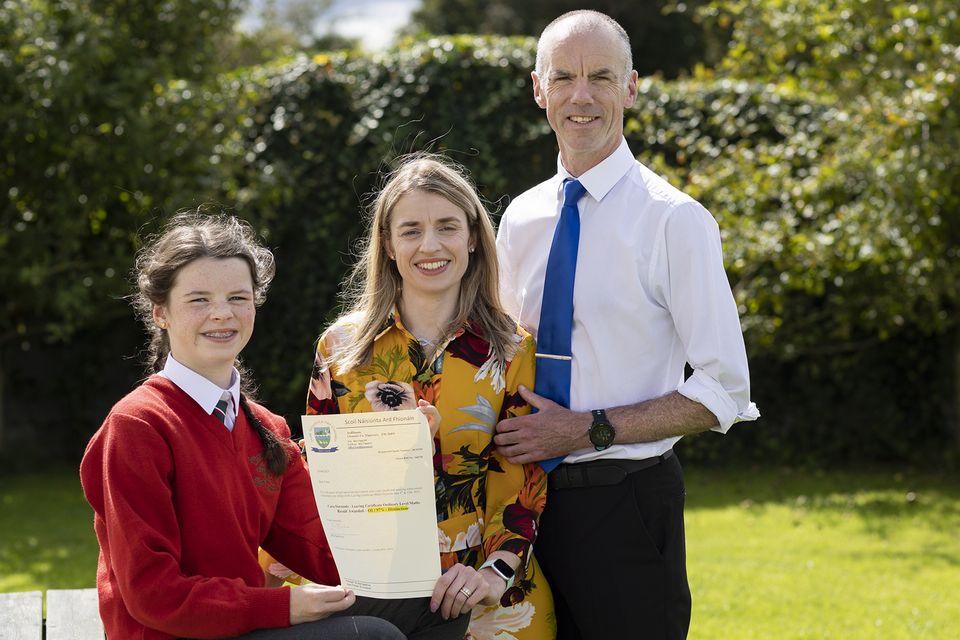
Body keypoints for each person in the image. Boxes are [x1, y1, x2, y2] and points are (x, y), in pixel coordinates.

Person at [493, 10, 760, 640]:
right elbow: (496, 357)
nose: (581, 96)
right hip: (519, 505)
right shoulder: (520, 217)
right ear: (539, 90)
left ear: (632, 87)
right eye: (563, 77)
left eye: (601, 77)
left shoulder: (676, 221)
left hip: (626, 503)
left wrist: (585, 430)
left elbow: (725, 392)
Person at [80, 208, 466, 640]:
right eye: (199, 300)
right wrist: (283, 605)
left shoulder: (266, 427)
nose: (222, 313)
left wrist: (401, 453)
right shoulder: (137, 426)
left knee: (438, 603)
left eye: (238, 298)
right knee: (371, 636)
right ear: (160, 313)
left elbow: (331, 548)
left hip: (242, 627)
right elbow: (153, 594)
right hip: (176, 633)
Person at [264, 154, 555, 639]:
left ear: (473, 239)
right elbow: (314, 476)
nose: (430, 245)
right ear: (388, 244)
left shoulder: (512, 349)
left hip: (479, 584)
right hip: (367, 585)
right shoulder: (339, 350)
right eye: (411, 230)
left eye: (447, 226)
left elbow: (518, 482)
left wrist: (491, 575)